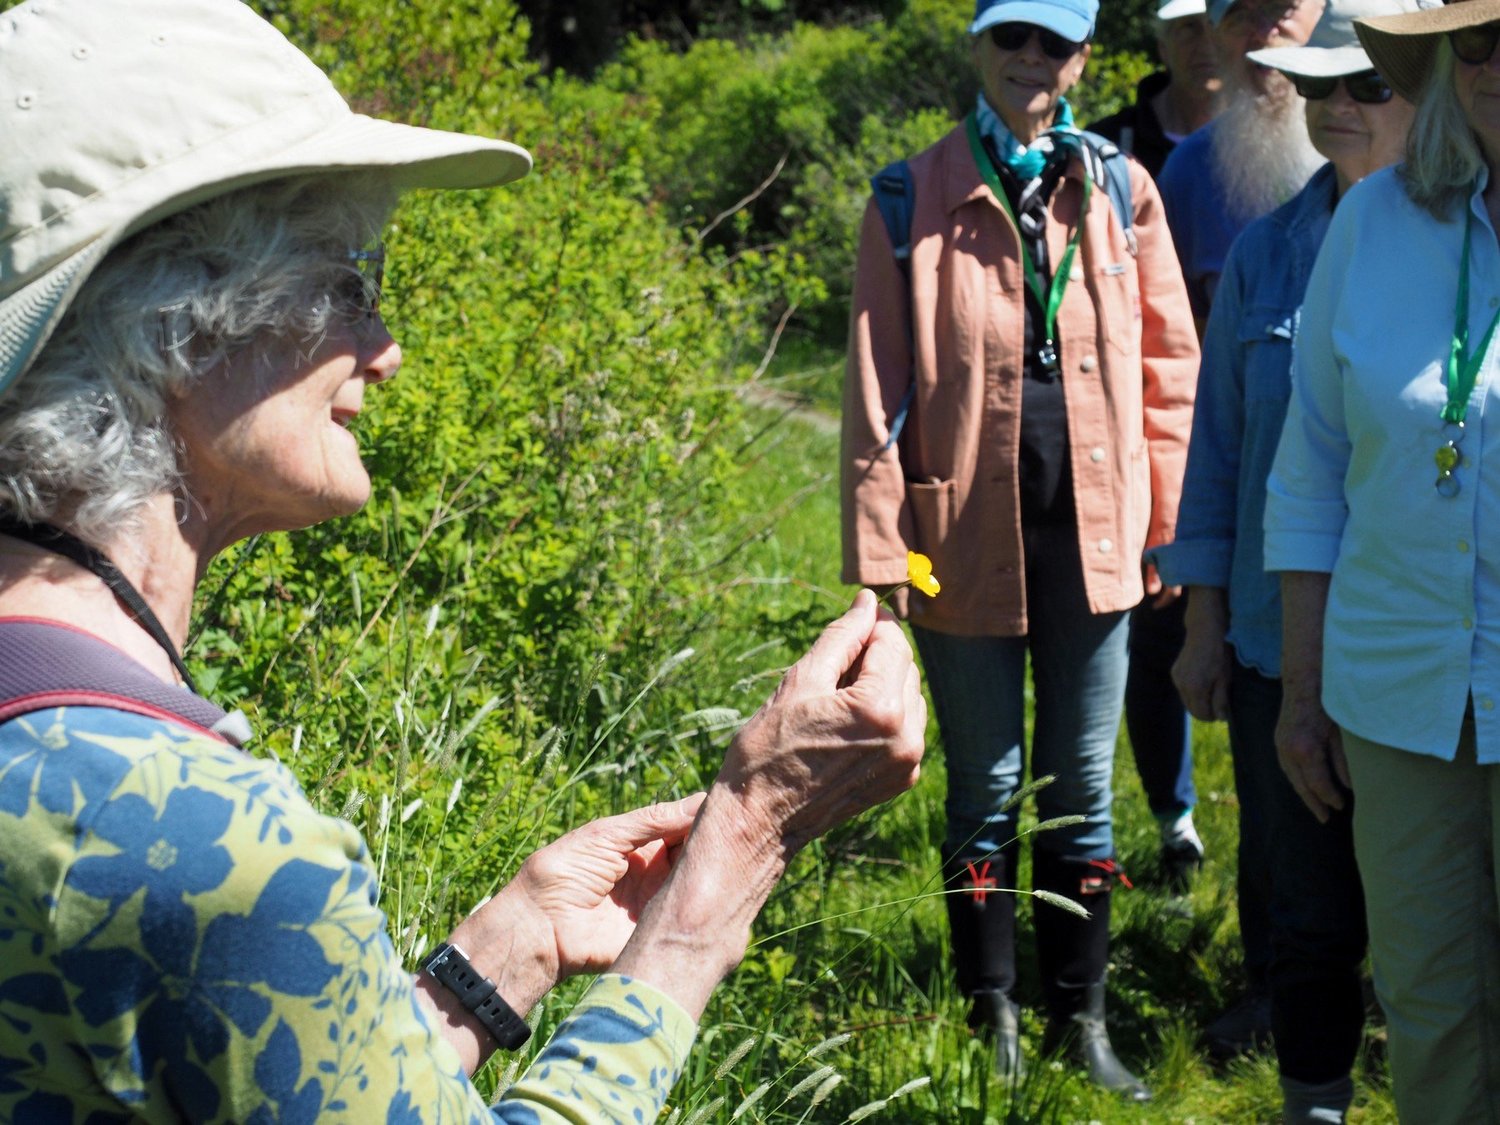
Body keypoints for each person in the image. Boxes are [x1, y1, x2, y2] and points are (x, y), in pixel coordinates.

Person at [0, 2, 928, 1121]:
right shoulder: (203, 842)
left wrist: (509, 947)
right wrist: (728, 866)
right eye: (342, 283)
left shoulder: (72, 766)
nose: (384, 353)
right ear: (169, 321)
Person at [841, 0, 1198, 1099]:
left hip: (1099, 540)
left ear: (1085, 59)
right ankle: (991, 1012)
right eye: (1013, 39)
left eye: (1056, 44)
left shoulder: (1124, 192)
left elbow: (1168, 374)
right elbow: (873, 397)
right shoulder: (909, 198)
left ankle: (1079, 1021)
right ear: (981, 48)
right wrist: (880, 561)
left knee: (1083, 791)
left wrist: (1174, 536)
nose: (1032, 63)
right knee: (984, 790)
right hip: (961, 541)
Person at [1149, 0, 1416, 1117]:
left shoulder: (1465, 248)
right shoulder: (1266, 252)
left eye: (1363, 85)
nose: (1336, 107)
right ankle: (1313, 1083)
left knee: (1430, 906)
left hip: (1422, 643)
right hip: (1271, 637)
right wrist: (1204, 625)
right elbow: (1215, 455)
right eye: (1316, 88)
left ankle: (1425, 1055)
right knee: (1303, 902)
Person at [1265, 1, 1500, 1118]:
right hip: (1397, 697)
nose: (1497, 63)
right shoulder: (1374, 226)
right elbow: (1309, 476)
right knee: (1429, 1000)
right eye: (1481, 39)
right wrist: (1301, 694)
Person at [1089, 0, 1221, 895]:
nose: (1201, 42)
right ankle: (1175, 818)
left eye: (1212, 22)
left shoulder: (1289, 130)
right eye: (1183, 25)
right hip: (1147, 426)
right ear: (1160, 39)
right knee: (1155, 624)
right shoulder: (1112, 150)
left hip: (1253, 414)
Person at [1157, 0, 1327, 326]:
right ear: (1213, 33)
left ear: (1321, 12)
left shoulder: (1368, 142)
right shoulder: (1187, 171)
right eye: (1240, 16)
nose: (1263, 33)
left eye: (1280, 9)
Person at [1091, 0, 1222, 177]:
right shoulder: (1106, 144)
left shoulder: (1263, 144)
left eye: (1217, 26)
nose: (1207, 45)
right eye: (1189, 28)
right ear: (1163, 48)